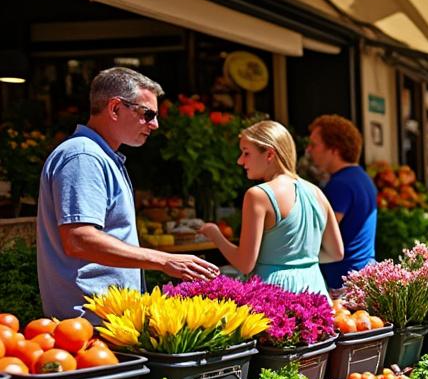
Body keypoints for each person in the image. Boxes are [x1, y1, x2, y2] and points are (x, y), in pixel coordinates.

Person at [37, 67, 218, 318]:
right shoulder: (84, 156)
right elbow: (79, 239)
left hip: (101, 319)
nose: (155, 124)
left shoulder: (98, 156)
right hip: (88, 322)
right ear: (115, 108)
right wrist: (164, 261)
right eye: (148, 114)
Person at [202, 121, 343, 296]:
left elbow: (245, 263)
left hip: (274, 297)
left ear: (269, 154)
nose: (240, 160)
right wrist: (297, 260)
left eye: (246, 153)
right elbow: (336, 253)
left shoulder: (258, 195)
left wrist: (215, 234)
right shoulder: (317, 193)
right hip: (316, 294)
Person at [306, 114, 376, 293]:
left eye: (314, 145)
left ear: (334, 149)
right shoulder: (362, 177)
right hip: (362, 276)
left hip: (344, 283)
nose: (309, 150)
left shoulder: (340, 184)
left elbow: (320, 235)